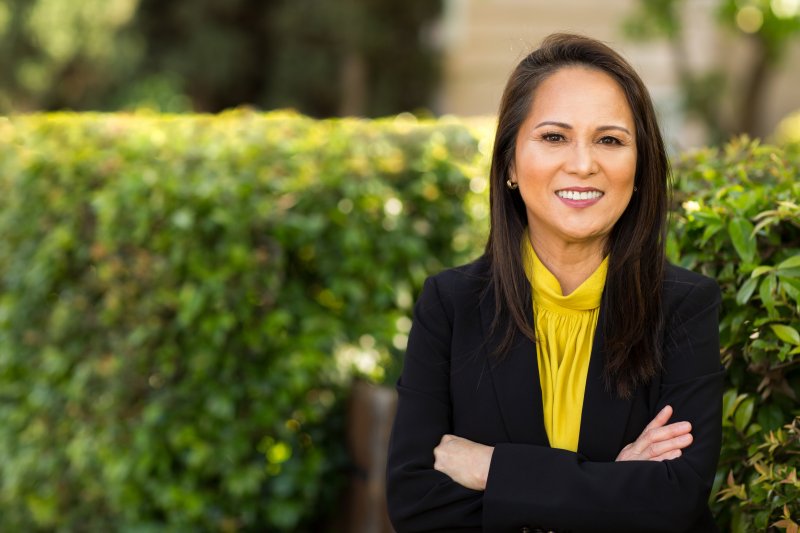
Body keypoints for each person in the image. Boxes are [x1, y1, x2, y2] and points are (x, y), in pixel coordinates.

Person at [385, 33, 724, 532]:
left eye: (610, 140)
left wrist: (493, 469)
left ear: (641, 166)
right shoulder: (450, 305)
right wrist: (613, 484)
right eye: (553, 137)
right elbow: (417, 505)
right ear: (509, 165)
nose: (583, 163)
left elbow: (675, 501)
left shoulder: (684, 306)